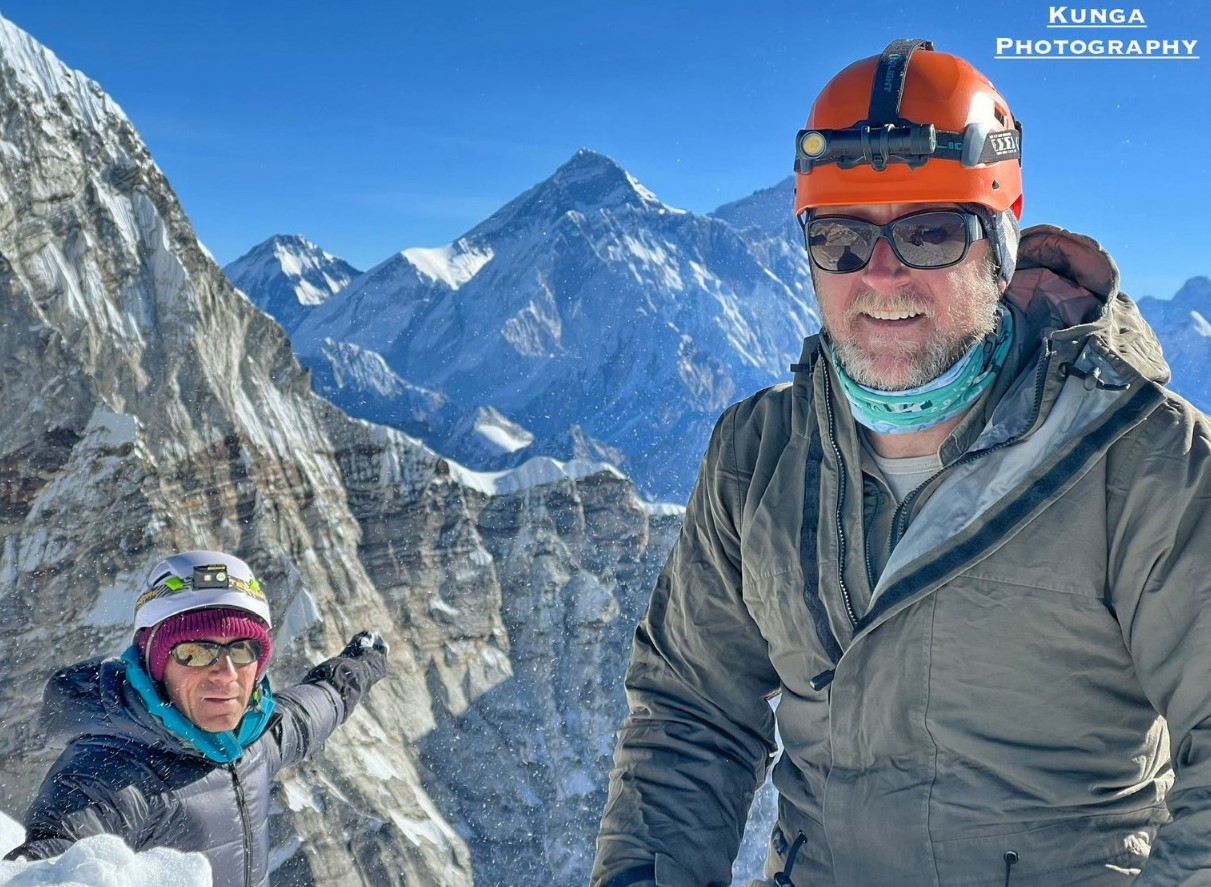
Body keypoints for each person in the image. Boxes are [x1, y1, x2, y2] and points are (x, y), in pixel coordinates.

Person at [592, 38, 1211, 887]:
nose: (880, 276)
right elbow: (692, 711)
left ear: (999, 239)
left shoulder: (1141, 459)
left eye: (927, 233)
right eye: (841, 239)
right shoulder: (758, 455)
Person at [5, 549, 390, 887]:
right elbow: (53, 866)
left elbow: (315, 710)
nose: (225, 673)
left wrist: (359, 665)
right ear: (156, 665)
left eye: (242, 650)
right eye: (195, 652)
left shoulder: (255, 737)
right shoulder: (108, 775)